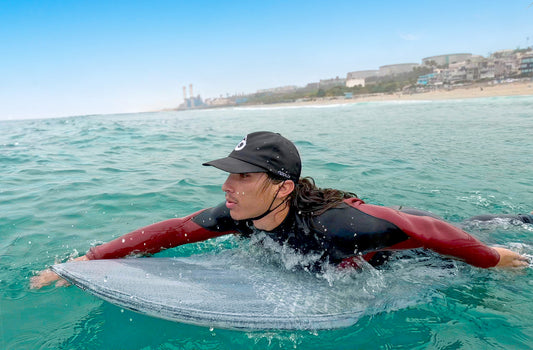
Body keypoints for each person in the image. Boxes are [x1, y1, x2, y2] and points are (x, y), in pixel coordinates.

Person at [31, 131, 531, 288]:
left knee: (463, 238)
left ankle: (509, 227)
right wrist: (89, 260)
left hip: (404, 250)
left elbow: (426, 229)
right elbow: (174, 230)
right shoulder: (240, 214)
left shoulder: (342, 225)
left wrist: (490, 257)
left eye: (244, 176)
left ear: (282, 187)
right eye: (229, 173)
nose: (228, 185)